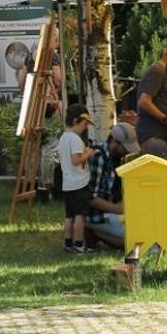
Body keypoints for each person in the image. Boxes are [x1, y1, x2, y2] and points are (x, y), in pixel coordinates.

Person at [87, 122, 140, 247]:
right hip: (96, 216)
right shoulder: (98, 157)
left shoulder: (116, 158)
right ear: (115, 142)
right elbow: (90, 197)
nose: (127, 152)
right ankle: (93, 231)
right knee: (138, 242)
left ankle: (103, 235)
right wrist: (117, 209)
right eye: (126, 147)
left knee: (145, 235)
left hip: (112, 213)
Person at [59, 104, 99, 254]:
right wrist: (89, 153)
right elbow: (76, 159)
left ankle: (68, 243)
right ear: (76, 121)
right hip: (79, 183)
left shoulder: (63, 137)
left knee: (69, 215)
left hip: (68, 184)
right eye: (84, 124)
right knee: (80, 215)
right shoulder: (75, 139)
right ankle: (79, 244)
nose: (85, 127)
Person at [135, 42, 167, 151]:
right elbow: (144, 101)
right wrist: (166, 119)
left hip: (160, 136)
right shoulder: (157, 72)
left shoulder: (166, 73)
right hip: (153, 136)